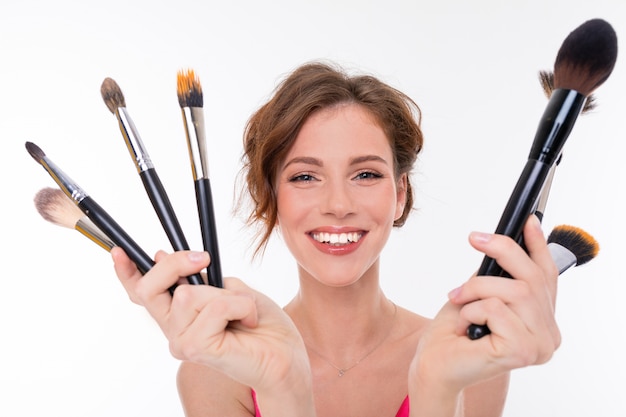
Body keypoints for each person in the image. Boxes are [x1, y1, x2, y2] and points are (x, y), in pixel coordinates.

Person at [112, 61, 561, 417]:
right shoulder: (215, 372)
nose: (338, 203)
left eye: (366, 174)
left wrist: (435, 388)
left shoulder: (469, 356)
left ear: (400, 193)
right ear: (271, 198)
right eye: (305, 176)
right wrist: (281, 383)